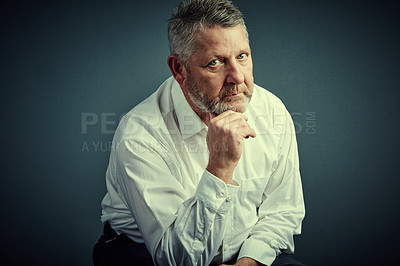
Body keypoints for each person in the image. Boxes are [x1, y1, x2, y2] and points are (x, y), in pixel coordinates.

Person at [93, 0, 306, 265]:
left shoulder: (272, 110)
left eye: (242, 56)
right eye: (216, 62)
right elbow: (176, 257)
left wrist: (248, 262)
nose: (237, 77)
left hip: (245, 253)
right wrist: (220, 169)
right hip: (147, 253)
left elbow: (283, 211)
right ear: (179, 69)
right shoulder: (139, 134)